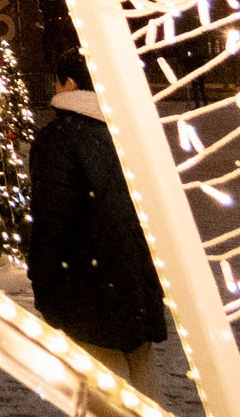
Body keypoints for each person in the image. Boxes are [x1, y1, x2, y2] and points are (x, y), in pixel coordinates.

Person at [27, 50, 166, 393]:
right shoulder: (128, 133)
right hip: (135, 281)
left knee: (104, 395)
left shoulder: (59, 138)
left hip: (86, 285)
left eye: (57, 82)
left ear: (69, 84)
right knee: (144, 389)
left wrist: (43, 282)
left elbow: (51, 220)